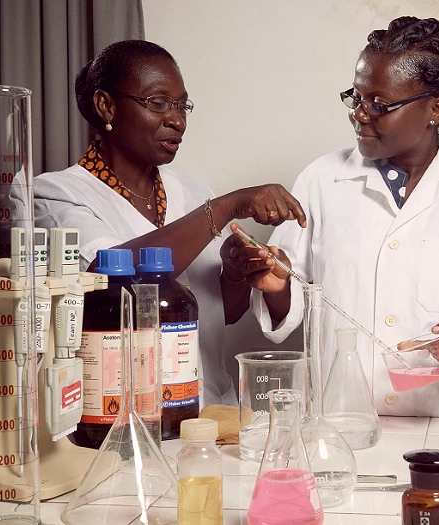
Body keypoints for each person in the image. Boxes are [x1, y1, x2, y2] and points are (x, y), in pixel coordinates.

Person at [225, 17, 439, 418]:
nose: (360, 115)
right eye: (357, 98)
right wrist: (276, 287)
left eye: (380, 105)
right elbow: (289, 296)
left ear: (436, 108)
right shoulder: (320, 181)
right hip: (338, 420)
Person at [29, 40, 306, 405]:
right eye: (157, 103)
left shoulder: (192, 192)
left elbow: (219, 314)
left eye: (181, 106)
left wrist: (236, 273)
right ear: (106, 105)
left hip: (211, 412)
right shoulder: (55, 194)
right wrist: (225, 207)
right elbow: (112, 280)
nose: (176, 120)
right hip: (125, 417)